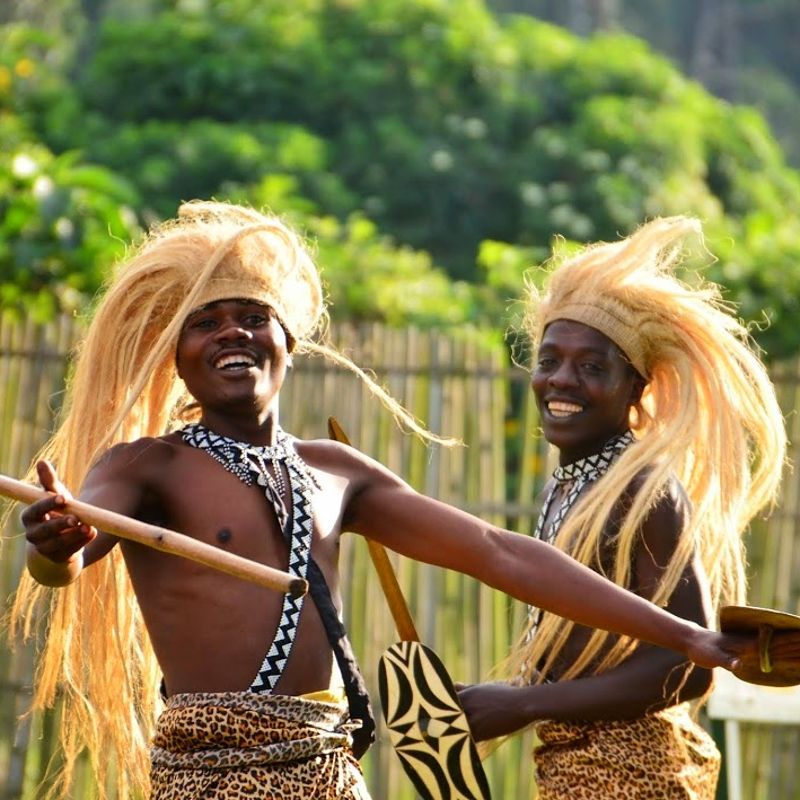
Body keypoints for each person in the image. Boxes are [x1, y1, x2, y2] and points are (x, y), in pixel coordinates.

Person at [11, 203, 752, 800]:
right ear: (178, 358)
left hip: (327, 769)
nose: (232, 332)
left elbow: (497, 553)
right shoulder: (145, 467)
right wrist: (57, 546)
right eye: (205, 323)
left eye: (252, 316)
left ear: (288, 340)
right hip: (206, 775)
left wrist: (685, 636)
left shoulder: (335, 473)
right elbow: (74, 545)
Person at [457, 216, 787, 799]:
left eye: (592, 367)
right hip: (574, 764)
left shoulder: (643, 488)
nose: (561, 380)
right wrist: (511, 697)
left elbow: (687, 665)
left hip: (635, 770)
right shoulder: (566, 485)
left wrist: (526, 703)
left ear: (635, 388)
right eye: (549, 361)